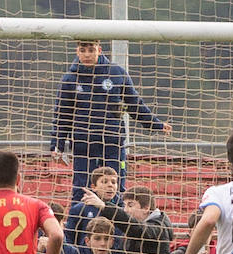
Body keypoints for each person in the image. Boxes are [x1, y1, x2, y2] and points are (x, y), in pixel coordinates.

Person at [49, 40, 171, 204]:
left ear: (99, 50)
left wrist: (155, 123)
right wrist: (57, 144)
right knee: (82, 189)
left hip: (112, 142)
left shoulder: (116, 73)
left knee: (115, 188)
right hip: (84, 143)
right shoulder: (70, 79)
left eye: (91, 50)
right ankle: (79, 227)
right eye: (83, 50)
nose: (87, 54)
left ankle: (117, 227)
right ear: (77, 52)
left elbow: (134, 104)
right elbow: (62, 114)